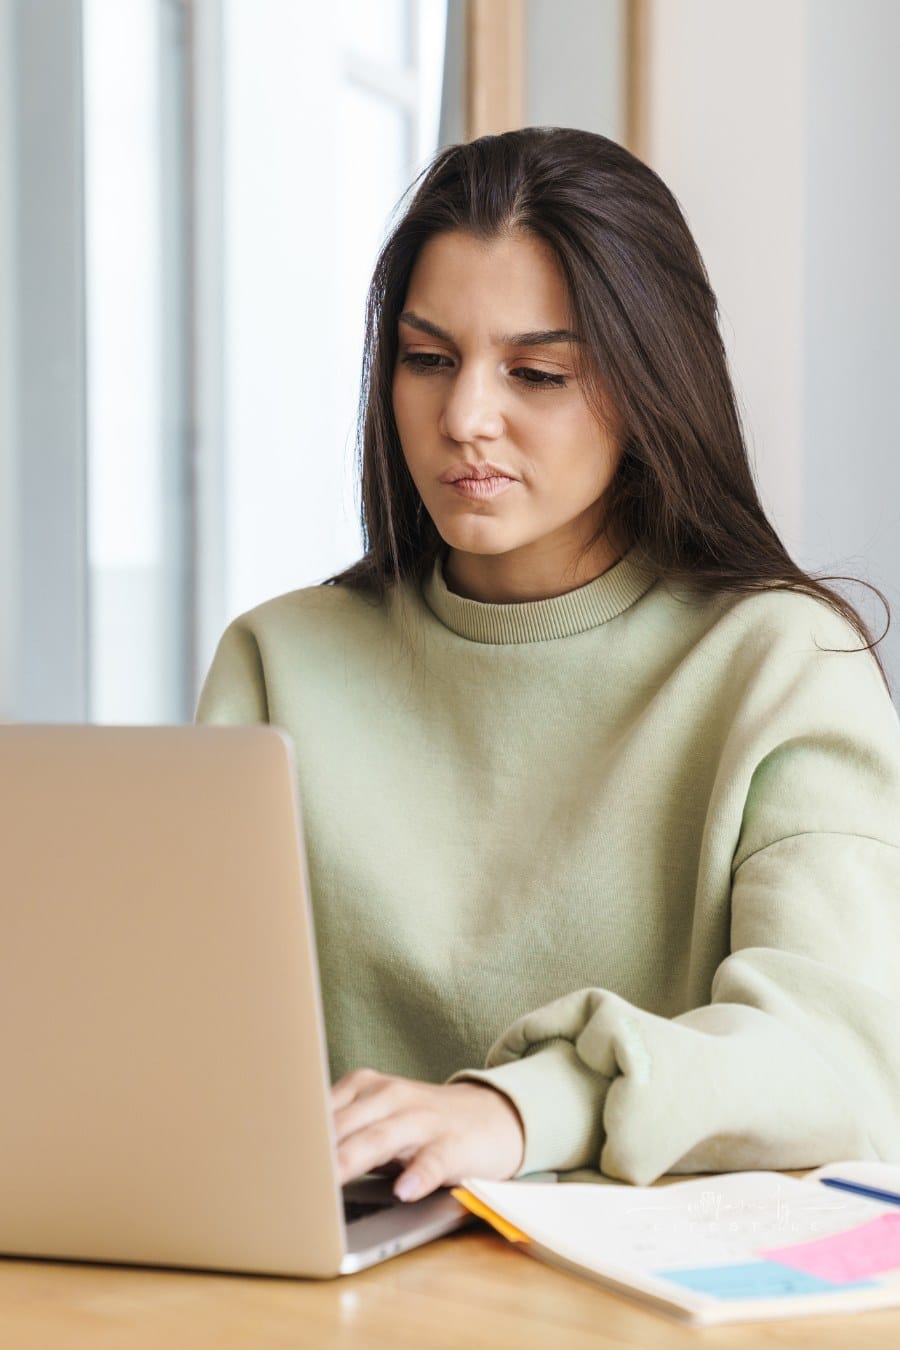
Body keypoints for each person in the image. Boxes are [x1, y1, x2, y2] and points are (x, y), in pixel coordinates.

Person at [197, 127, 900, 1202]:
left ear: (649, 383)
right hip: (326, 1279)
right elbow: (186, 1051)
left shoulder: (781, 664)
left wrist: (521, 1107)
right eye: (429, 359)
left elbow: (842, 1063)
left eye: (537, 372)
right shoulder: (277, 663)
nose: (465, 416)